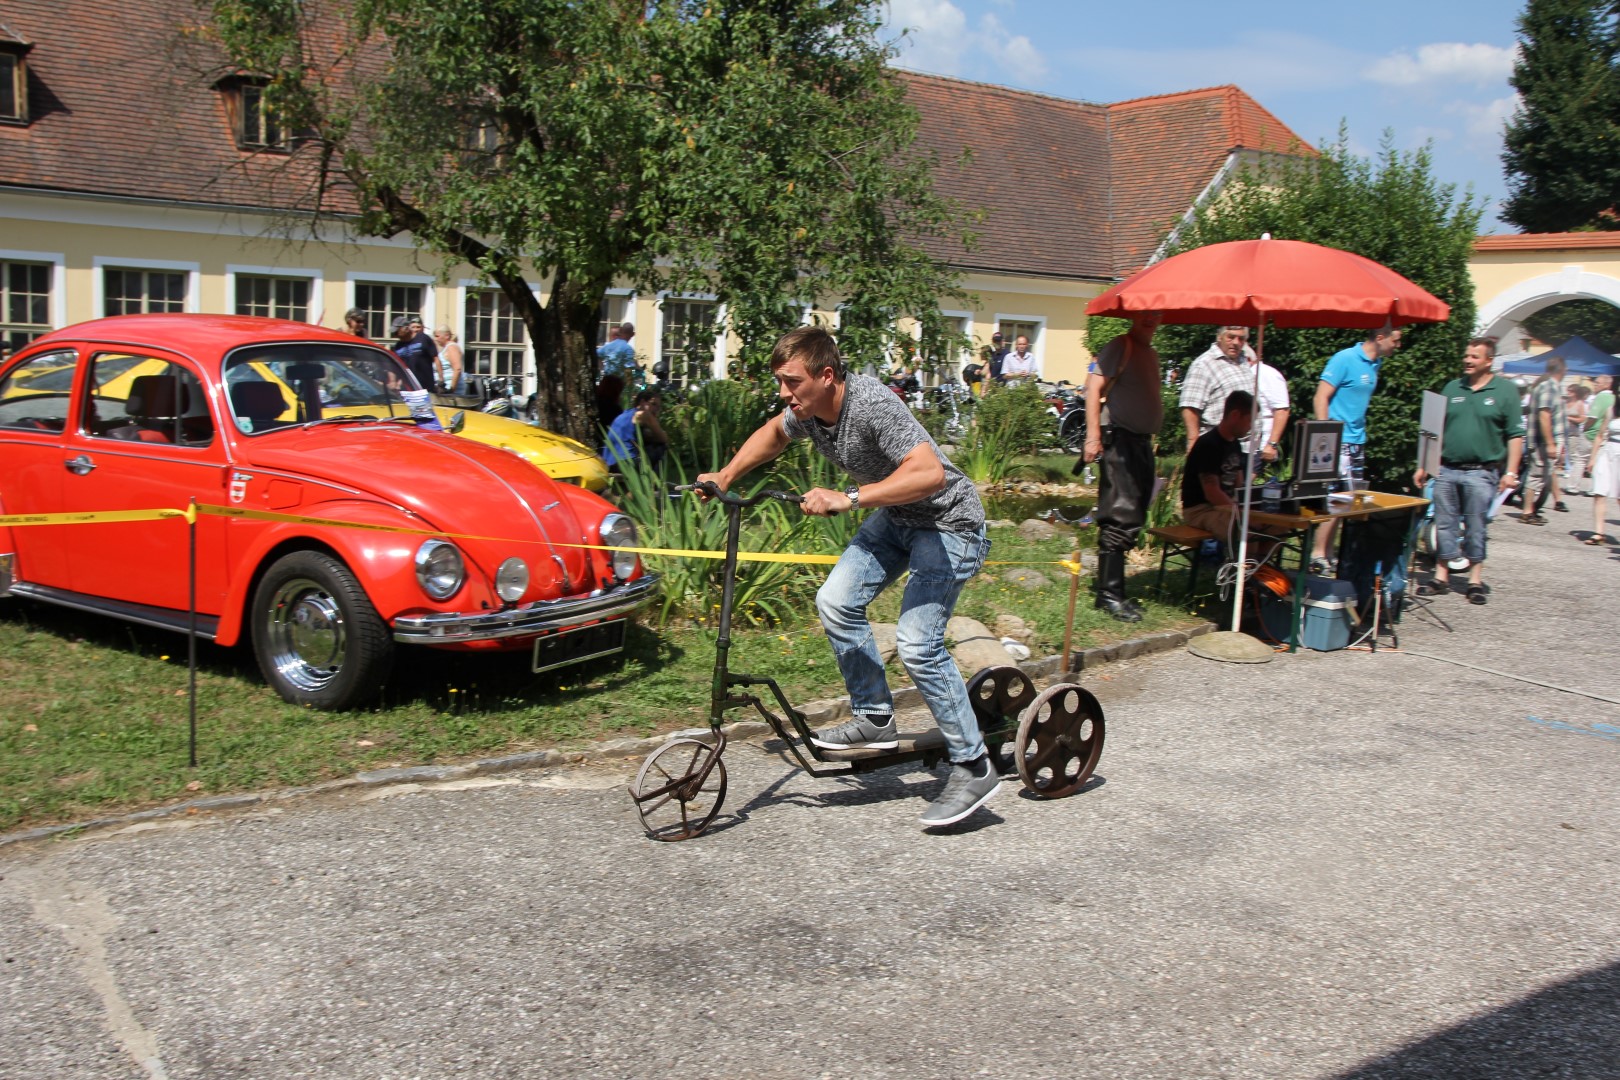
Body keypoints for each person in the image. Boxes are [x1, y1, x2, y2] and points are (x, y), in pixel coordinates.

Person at [696, 325, 996, 829]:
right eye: (782, 383)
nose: (784, 394)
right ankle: (875, 718)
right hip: (900, 520)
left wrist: (850, 498)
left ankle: (973, 764)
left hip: (949, 524)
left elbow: (931, 474)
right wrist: (725, 476)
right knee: (835, 601)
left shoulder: (872, 404)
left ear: (826, 375)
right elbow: (773, 433)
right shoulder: (807, 412)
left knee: (918, 644)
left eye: (792, 382)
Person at [1412, 338, 1524, 605]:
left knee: (1476, 527)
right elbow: (1432, 429)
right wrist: (1424, 465)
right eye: (1466, 355)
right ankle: (1441, 576)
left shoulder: (1505, 391)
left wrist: (1511, 472)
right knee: (1444, 524)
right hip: (1447, 469)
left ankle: (1474, 580)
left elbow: (1516, 435)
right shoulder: (1452, 388)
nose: (1467, 360)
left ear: (1488, 361)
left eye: (1474, 356)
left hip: (1482, 472)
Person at [1082, 310, 1164, 622]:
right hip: (1121, 441)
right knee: (1119, 512)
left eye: (1155, 314)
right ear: (1134, 315)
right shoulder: (1121, 345)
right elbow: (1093, 389)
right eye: (1144, 313)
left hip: (1140, 442)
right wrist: (1093, 437)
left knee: (1135, 512)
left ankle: (1115, 590)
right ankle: (1108, 595)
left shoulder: (1150, 354)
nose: (1149, 318)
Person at [1310, 321, 1400, 571]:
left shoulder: (1376, 363)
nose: (1398, 345)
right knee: (1336, 498)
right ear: (1380, 337)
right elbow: (1321, 396)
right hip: (1339, 440)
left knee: (1348, 500)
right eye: (1396, 340)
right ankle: (1317, 553)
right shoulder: (1345, 359)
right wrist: (1326, 437)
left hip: (1357, 439)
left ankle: (1328, 552)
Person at [1180, 389, 1273, 545]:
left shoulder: (1235, 445)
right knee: (1248, 532)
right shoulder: (1208, 445)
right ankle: (1247, 568)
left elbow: (1240, 485)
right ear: (1235, 415)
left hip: (1225, 508)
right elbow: (1212, 492)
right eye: (1249, 420)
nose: (1251, 427)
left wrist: (1253, 506)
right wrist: (1241, 514)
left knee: (1274, 528)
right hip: (1201, 510)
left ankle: (1262, 568)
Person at [1179, 326, 1257, 452]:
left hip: (1247, 448)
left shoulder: (1243, 360)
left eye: (1241, 339)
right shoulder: (1204, 364)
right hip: (1218, 447)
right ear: (1220, 337)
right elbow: (1190, 407)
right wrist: (1193, 442)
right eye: (1231, 337)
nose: (1236, 342)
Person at [1517, 355, 1568, 525]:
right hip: (1542, 442)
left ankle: (1531, 509)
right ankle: (1527, 512)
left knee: (1541, 477)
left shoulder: (1548, 386)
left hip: (1542, 441)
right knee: (1535, 476)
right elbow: (1544, 415)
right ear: (1562, 370)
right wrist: (1550, 443)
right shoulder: (1549, 387)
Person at [602, 388, 668, 471]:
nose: (657, 409)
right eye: (653, 404)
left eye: (659, 407)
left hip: (609, 463)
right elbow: (663, 438)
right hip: (625, 463)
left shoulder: (627, 414)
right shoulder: (643, 414)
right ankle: (655, 482)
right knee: (661, 447)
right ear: (642, 402)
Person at [1584, 390, 1619, 545]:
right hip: (1608, 450)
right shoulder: (1612, 409)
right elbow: (1600, 435)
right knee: (1599, 491)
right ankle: (1599, 533)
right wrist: (1592, 458)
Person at [389, 315, 437, 390]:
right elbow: (393, 367)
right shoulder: (398, 346)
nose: (395, 335)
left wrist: (440, 379)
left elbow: (435, 358)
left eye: (397, 331)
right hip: (408, 389)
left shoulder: (423, 338)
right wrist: (393, 381)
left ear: (405, 328)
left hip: (425, 388)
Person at [1563, 384, 1591, 496]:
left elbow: (1583, 419)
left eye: (1571, 391)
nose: (1568, 392)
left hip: (1573, 432)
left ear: (1576, 392)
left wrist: (1568, 418)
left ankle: (1573, 480)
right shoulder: (1565, 401)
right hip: (1561, 431)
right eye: (1568, 390)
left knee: (1573, 456)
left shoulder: (1580, 404)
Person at [431, 326, 465, 395]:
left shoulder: (451, 347)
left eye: (437, 336)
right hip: (443, 390)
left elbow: (457, 369)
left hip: (450, 392)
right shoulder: (445, 348)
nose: (435, 339)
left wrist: (451, 389)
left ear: (447, 336)